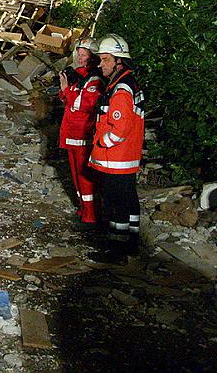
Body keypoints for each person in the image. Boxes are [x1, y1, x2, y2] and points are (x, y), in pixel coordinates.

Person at [88, 34, 146, 263]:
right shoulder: (129, 82)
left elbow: (120, 127)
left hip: (115, 158)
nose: (100, 64)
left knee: (115, 205)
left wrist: (104, 143)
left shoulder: (120, 89)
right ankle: (132, 243)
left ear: (119, 61)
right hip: (128, 157)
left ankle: (116, 251)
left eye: (105, 60)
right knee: (129, 200)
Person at [58, 37, 103, 225]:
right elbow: (65, 98)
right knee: (76, 176)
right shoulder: (78, 75)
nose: (80, 57)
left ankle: (91, 213)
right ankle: (83, 208)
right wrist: (65, 89)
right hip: (71, 133)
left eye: (84, 55)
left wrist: (68, 91)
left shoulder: (95, 79)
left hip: (83, 134)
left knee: (85, 176)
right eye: (79, 54)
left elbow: (85, 103)